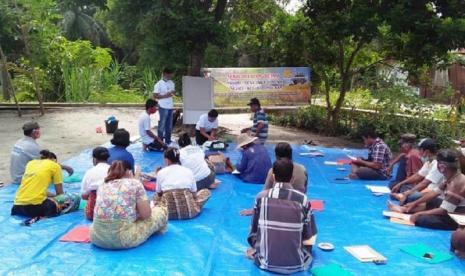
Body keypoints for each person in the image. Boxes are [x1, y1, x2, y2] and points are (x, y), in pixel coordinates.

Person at [246, 159, 317, 274]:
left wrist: (257, 248)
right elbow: (309, 235)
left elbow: (254, 230)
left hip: (265, 262)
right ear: (292, 178)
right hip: (297, 264)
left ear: (273, 177)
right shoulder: (303, 199)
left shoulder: (260, 197)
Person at [90, 161, 168, 249]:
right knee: (161, 211)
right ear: (130, 172)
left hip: (96, 238)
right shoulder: (135, 184)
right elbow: (146, 215)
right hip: (123, 240)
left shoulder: (102, 185)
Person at [389, 149, 465, 230]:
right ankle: (404, 209)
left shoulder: (456, 183)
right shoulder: (450, 176)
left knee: (421, 219)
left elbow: (444, 211)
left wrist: (419, 214)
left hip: (458, 216)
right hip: (451, 209)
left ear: (442, 167)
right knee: (432, 200)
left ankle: (409, 211)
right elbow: (434, 193)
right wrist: (414, 203)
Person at [11, 150, 80, 218]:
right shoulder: (55, 166)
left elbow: (37, 189)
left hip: (17, 207)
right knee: (75, 198)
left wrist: (53, 195)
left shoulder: (30, 164)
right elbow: (60, 194)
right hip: (36, 208)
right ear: (54, 160)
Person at [155, 147, 211, 220]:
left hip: (167, 214)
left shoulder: (161, 172)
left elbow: (159, 194)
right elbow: (194, 195)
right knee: (206, 192)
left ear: (167, 160)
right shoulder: (188, 171)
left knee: (155, 196)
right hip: (190, 212)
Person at [391, 138, 442, 204]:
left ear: (426, 151)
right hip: (426, 189)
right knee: (399, 186)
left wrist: (407, 193)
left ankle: (405, 197)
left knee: (412, 197)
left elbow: (424, 183)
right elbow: (418, 175)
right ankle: (405, 196)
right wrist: (401, 183)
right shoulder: (429, 162)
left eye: (420, 150)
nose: (419, 152)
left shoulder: (437, 164)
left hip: (434, 192)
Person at [81, 147, 110, 221]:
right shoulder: (115, 170)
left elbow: (84, 195)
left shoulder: (90, 172)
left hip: (94, 213)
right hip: (116, 210)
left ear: (94, 158)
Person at [152, 67, 175, 145]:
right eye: (169, 74)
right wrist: (165, 96)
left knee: (169, 125)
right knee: (162, 124)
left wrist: (172, 93)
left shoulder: (172, 83)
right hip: (163, 106)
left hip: (170, 106)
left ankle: (168, 140)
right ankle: (160, 140)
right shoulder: (159, 84)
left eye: (171, 75)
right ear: (165, 74)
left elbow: (172, 93)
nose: (170, 76)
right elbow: (155, 95)